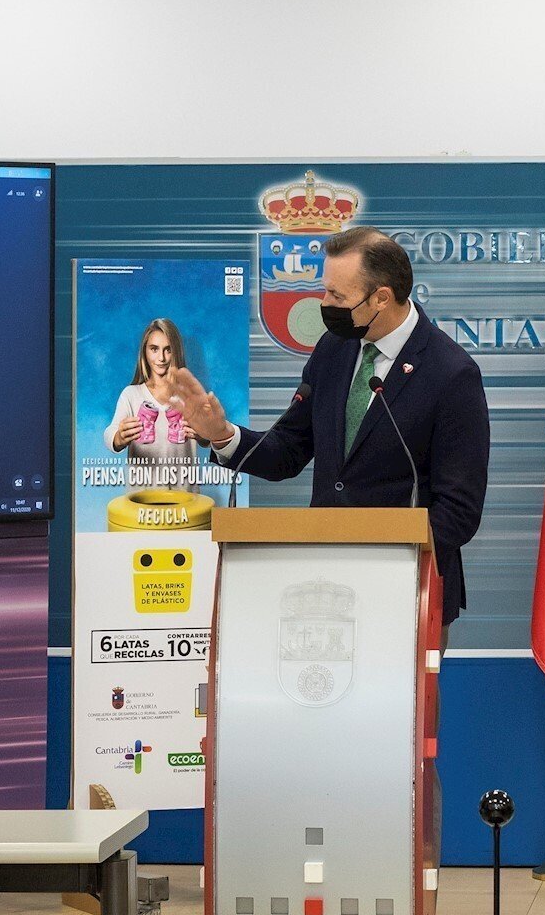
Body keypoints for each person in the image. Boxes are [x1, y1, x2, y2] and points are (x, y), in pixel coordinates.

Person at [176, 227, 491, 624]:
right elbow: (288, 450)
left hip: (407, 591)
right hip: (324, 583)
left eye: (336, 296)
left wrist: (385, 558)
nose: (324, 304)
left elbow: (458, 511)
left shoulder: (451, 373)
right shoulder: (334, 349)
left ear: (381, 297)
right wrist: (221, 434)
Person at [108, 319, 200, 464]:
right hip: (142, 480)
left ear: (176, 352)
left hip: (184, 480)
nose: (161, 358)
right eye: (154, 349)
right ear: (144, 351)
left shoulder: (190, 395)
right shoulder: (131, 394)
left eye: (168, 350)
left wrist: (202, 435)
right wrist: (119, 438)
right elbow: (110, 434)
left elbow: (210, 438)